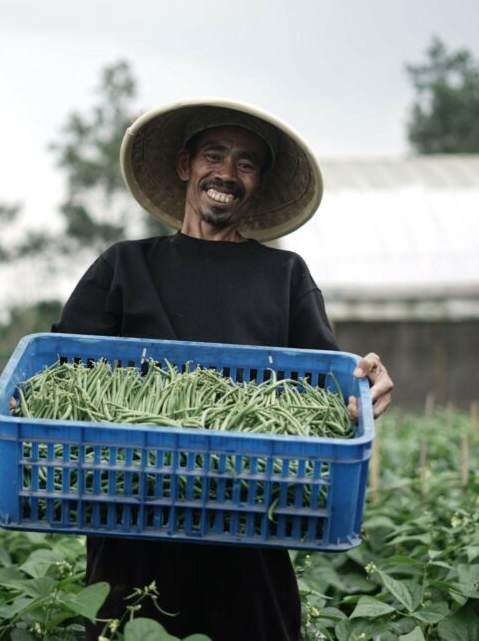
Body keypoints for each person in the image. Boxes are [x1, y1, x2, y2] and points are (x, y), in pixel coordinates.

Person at [51, 98, 393, 641]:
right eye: (215, 155)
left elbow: (328, 392)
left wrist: (363, 385)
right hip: (133, 537)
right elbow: (58, 374)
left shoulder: (283, 275)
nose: (227, 173)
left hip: (250, 538)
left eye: (247, 163)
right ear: (187, 165)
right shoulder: (125, 265)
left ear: (257, 183)